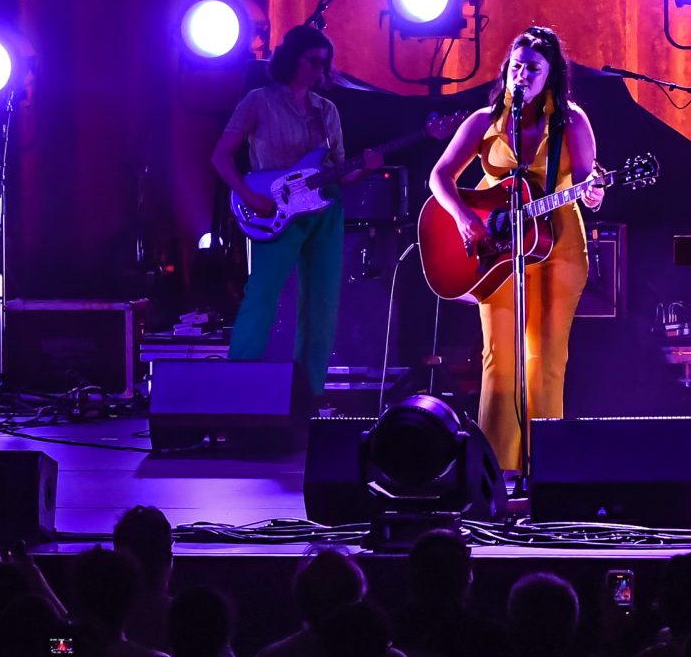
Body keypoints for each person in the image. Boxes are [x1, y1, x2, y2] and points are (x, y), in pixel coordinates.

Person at [428, 25, 602, 476]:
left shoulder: (572, 122)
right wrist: (465, 218)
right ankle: (495, 472)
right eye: (517, 67)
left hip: (557, 241)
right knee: (498, 359)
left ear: (551, 77)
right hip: (496, 247)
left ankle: (546, 468)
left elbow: (586, 180)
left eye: (534, 70)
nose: (523, 75)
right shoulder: (484, 122)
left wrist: (595, 192)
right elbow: (440, 177)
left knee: (546, 357)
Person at [212, 25, 386, 412]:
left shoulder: (327, 111)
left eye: (325, 64)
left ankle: (309, 396)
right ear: (293, 59)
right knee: (263, 295)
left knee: (322, 304)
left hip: (325, 208)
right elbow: (221, 157)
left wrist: (367, 167)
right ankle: (234, 390)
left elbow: (341, 169)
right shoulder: (258, 101)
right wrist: (249, 196)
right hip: (272, 206)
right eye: (314, 62)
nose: (321, 70)